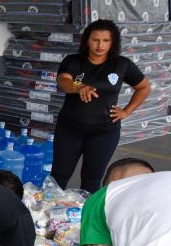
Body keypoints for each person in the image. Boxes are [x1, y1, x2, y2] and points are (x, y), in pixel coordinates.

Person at [51, 19, 151, 192]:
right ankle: (47, 215)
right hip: (69, 130)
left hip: (104, 133)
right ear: (87, 40)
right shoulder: (73, 61)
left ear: (113, 43)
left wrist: (127, 111)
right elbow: (63, 81)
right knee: (59, 175)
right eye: (95, 39)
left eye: (106, 40)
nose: (100, 45)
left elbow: (144, 87)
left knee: (92, 179)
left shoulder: (122, 64)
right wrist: (79, 86)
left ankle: (88, 216)